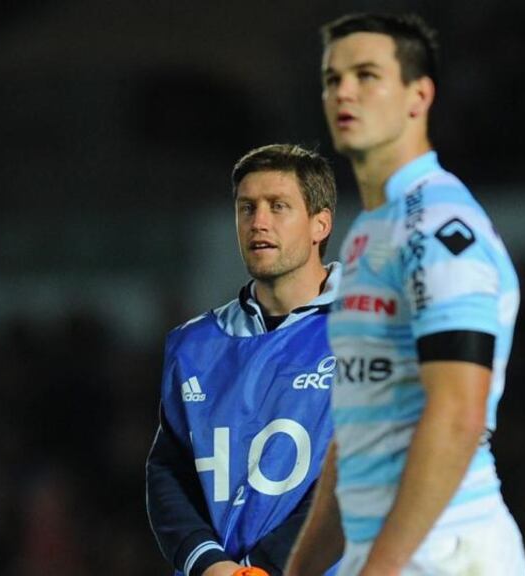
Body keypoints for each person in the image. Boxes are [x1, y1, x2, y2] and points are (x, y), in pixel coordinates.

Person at [286, 13, 525, 576]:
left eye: (366, 74)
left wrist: (381, 569)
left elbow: (459, 413)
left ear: (419, 95)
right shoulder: (373, 228)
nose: (343, 90)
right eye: (331, 78)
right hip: (391, 555)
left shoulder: (438, 226)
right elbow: (355, 429)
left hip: (449, 553)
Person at [147, 144, 341, 576]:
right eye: (246, 208)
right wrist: (211, 565)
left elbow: (369, 471)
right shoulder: (193, 346)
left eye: (278, 206)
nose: (259, 223)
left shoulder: (369, 330)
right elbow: (168, 474)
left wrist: (263, 568)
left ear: (320, 223)